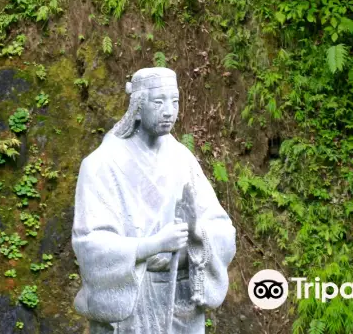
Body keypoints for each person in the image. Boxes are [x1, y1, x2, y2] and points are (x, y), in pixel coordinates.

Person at [71, 67, 236, 333]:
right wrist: (152, 245)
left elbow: (221, 227)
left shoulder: (182, 159)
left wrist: (197, 232)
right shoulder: (102, 164)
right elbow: (90, 243)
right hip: (135, 298)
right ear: (137, 105)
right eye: (159, 102)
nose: (169, 110)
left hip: (180, 297)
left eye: (175, 101)